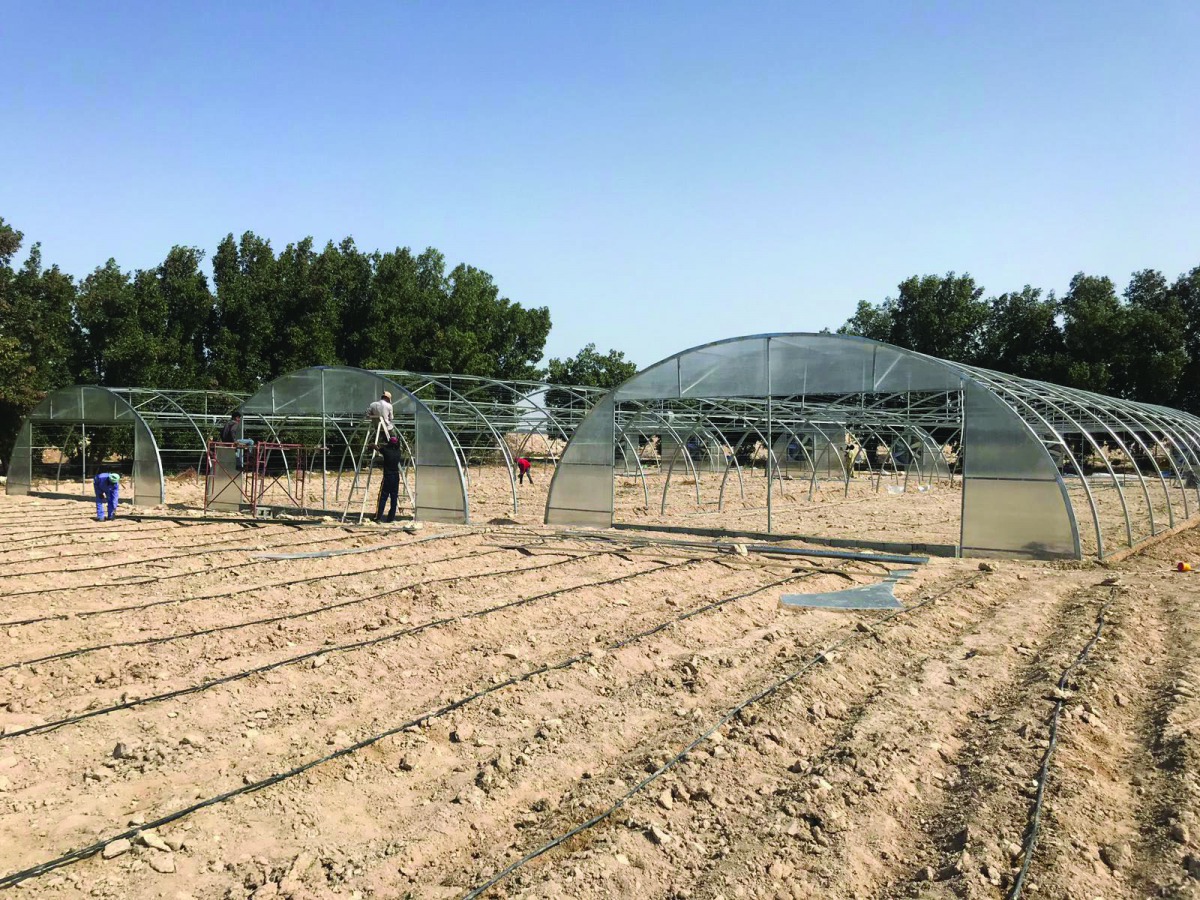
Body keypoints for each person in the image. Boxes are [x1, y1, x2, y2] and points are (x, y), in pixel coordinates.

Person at [373, 435, 404, 522]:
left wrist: (373, 446)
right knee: (394, 497)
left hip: (388, 476)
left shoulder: (386, 450)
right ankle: (391, 518)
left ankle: (378, 517)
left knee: (383, 497)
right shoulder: (399, 452)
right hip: (396, 476)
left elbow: (378, 448)